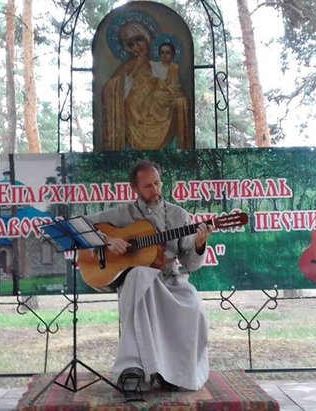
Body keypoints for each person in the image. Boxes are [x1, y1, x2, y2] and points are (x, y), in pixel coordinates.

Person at [83, 160, 212, 398]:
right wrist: (108, 240)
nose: (155, 190)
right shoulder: (123, 214)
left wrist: (199, 244)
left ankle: (174, 373)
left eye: (157, 183)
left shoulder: (179, 215)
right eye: (148, 186)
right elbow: (82, 227)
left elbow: (191, 264)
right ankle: (134, 367)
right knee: (139, 274)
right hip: (138, 284)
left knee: (194, 305)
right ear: (135, 188)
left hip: (171, 281)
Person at [101, 22, 192, 151]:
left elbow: (173, 87)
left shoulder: (163, 65)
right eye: (131, 44)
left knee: (181, 101)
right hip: (135, 116)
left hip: (160, 111)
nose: (137, 46)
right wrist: (133, 72)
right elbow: (111, 91)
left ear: (147, 37)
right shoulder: (127, 67)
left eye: (139, 39)